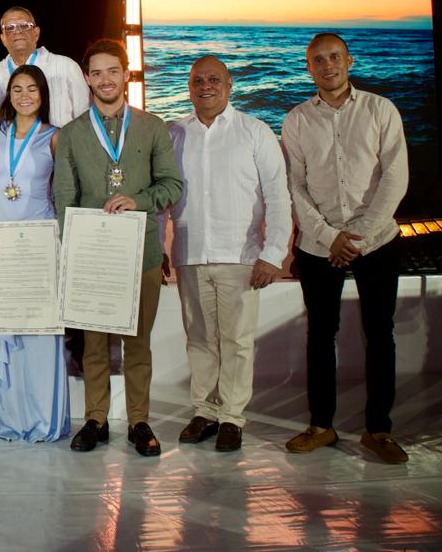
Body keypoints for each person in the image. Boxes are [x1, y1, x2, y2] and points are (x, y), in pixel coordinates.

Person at [281, 32, 410, 464]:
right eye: (318, 60)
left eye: (334, 57)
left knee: (381, 334)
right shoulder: (296, 119)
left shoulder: (381, 110)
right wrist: (327, 236)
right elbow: (294, 186)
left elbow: (395, 178)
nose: (328, 65)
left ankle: (379, 430)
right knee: (320, 335)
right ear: (309, 68)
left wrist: (356, 238)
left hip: (377, 242)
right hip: (320, 246)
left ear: (349, 61)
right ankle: (322, 426)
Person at [54, 39, 182, 457]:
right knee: (94, 344)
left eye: (113, 71)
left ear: (126, 74)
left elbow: (172, 185)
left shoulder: (152, 126)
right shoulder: (72, 133)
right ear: (87, 78)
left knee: (138, 341)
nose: (105, 79)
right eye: (96, 73)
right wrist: (69, 250)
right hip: (92, 256)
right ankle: (96, 419)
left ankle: (139, 420)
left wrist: (138, 200)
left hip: (141, 251)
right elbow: (64, 198)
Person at [164, 56, 291, 452]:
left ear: (229, 84)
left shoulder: (254, 132)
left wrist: (273, 253)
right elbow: (162, 196)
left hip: (241, 255)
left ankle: (232, 417)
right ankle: (204, 411)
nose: (205, 86)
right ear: (189, 86)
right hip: (191, 251)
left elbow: (278, 195)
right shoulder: (174, 134)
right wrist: (156, 244)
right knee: (199, 338)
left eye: (214, 79)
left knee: (236, 340)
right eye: (197, 80)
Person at [0, 65, 70, 442]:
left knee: (39, 332)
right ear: (8, 95)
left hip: (40, 244)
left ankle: (43, 418)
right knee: (7, 331)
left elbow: (64, 193)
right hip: (2, 246)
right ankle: (9, 417)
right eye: (17, 89)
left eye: (32, 89)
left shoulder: (55, 137)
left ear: (43, 94)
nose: (25, 95)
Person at [0, 6, 89, 128]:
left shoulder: (66, 66)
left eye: (25, 25)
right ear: (3, 39)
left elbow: (86, 119)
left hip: (60, 146)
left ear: (36, 33)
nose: (17, 31)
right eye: (10, 28)